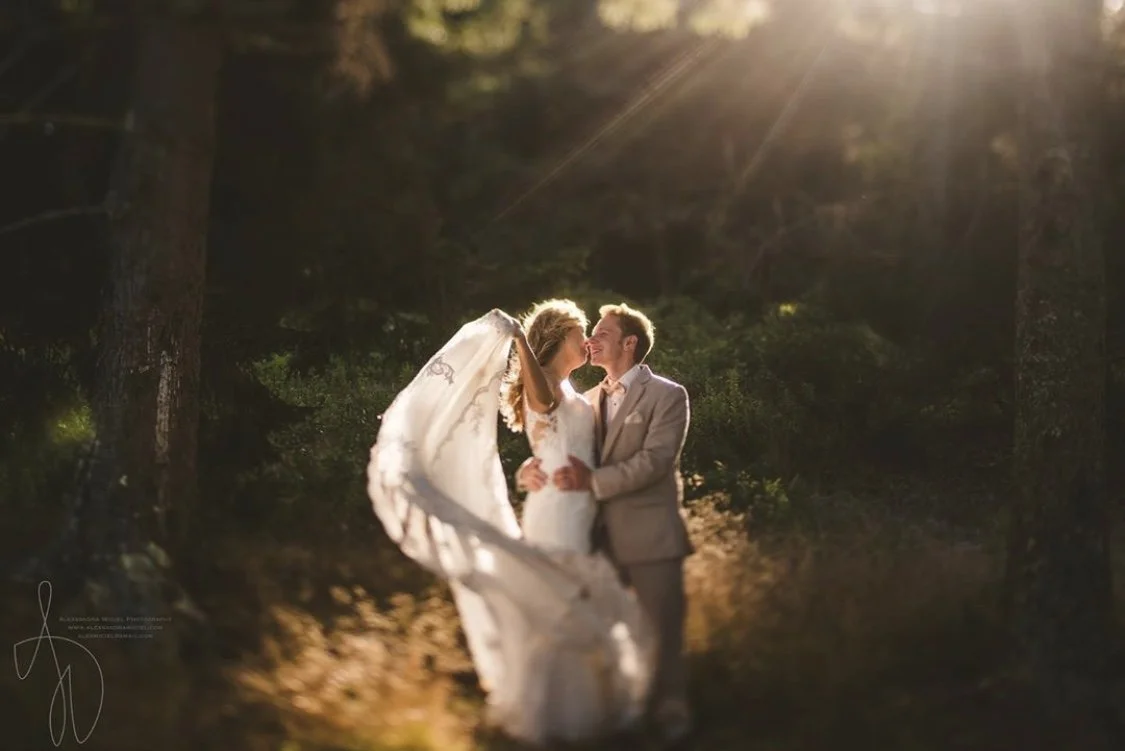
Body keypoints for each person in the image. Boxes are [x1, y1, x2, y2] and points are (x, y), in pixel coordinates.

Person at [366, 303, 657, 747]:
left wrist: (528, 467)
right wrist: (519, 339)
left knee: (565, 597)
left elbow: (553, 440)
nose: (587, 342)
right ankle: (557, 718)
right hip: (557, 510)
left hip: (572, 504)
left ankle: (572, 711)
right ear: (558, 338)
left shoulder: (572, 388)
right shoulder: (543, 381)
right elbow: (541, 403)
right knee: (557, 600)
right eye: (580, 334)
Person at [517, 303, 694, 744]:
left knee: (660, 629)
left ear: (629, 343)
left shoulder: (669, 395)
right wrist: (528, 468)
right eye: (589, 332)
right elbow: (556, 439)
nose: (592, 339)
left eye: (602, 333)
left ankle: (672, 714)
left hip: (650, 534)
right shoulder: (589, 398)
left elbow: (654, 462)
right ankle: (610, 711)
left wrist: (592, 481)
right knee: (598, 628)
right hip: (594, 537)